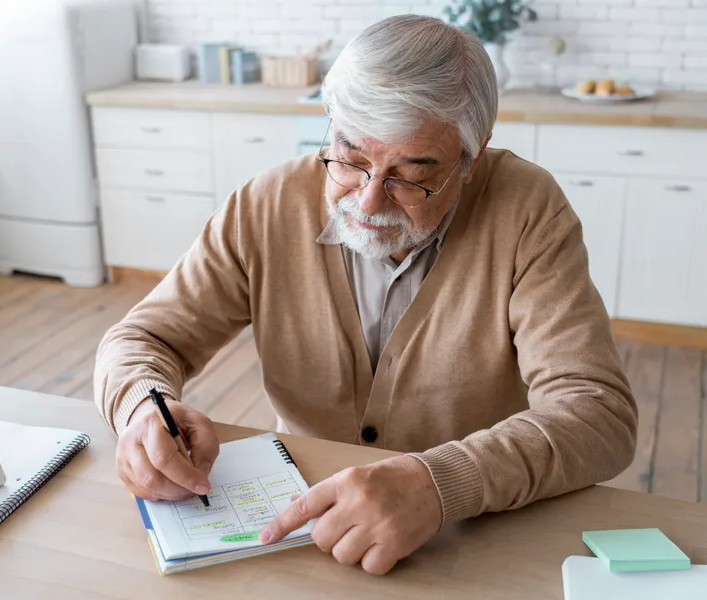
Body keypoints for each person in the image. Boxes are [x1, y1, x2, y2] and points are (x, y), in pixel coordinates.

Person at [94, 15, 637, 575]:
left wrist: (439, 482)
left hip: (466, 534)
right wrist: (141, 407)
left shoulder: (528, 211)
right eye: (351, 160)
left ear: (472, 158)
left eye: (411, 175)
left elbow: (597, 414)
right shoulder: (265, 204)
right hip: (302, 528)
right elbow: (143, 337)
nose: (370, 202)